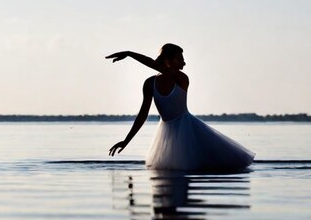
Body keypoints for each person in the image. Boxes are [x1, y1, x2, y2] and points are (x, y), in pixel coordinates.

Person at [106, 44, 255, 172]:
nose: (184, 63)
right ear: (167, 60)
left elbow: (155, 65)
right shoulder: (149, 83)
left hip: (187, 128)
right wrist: (126, 140)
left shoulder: (182, 79)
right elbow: (142, 115)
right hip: (166, 132)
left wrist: (129, 54)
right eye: (180, 59)